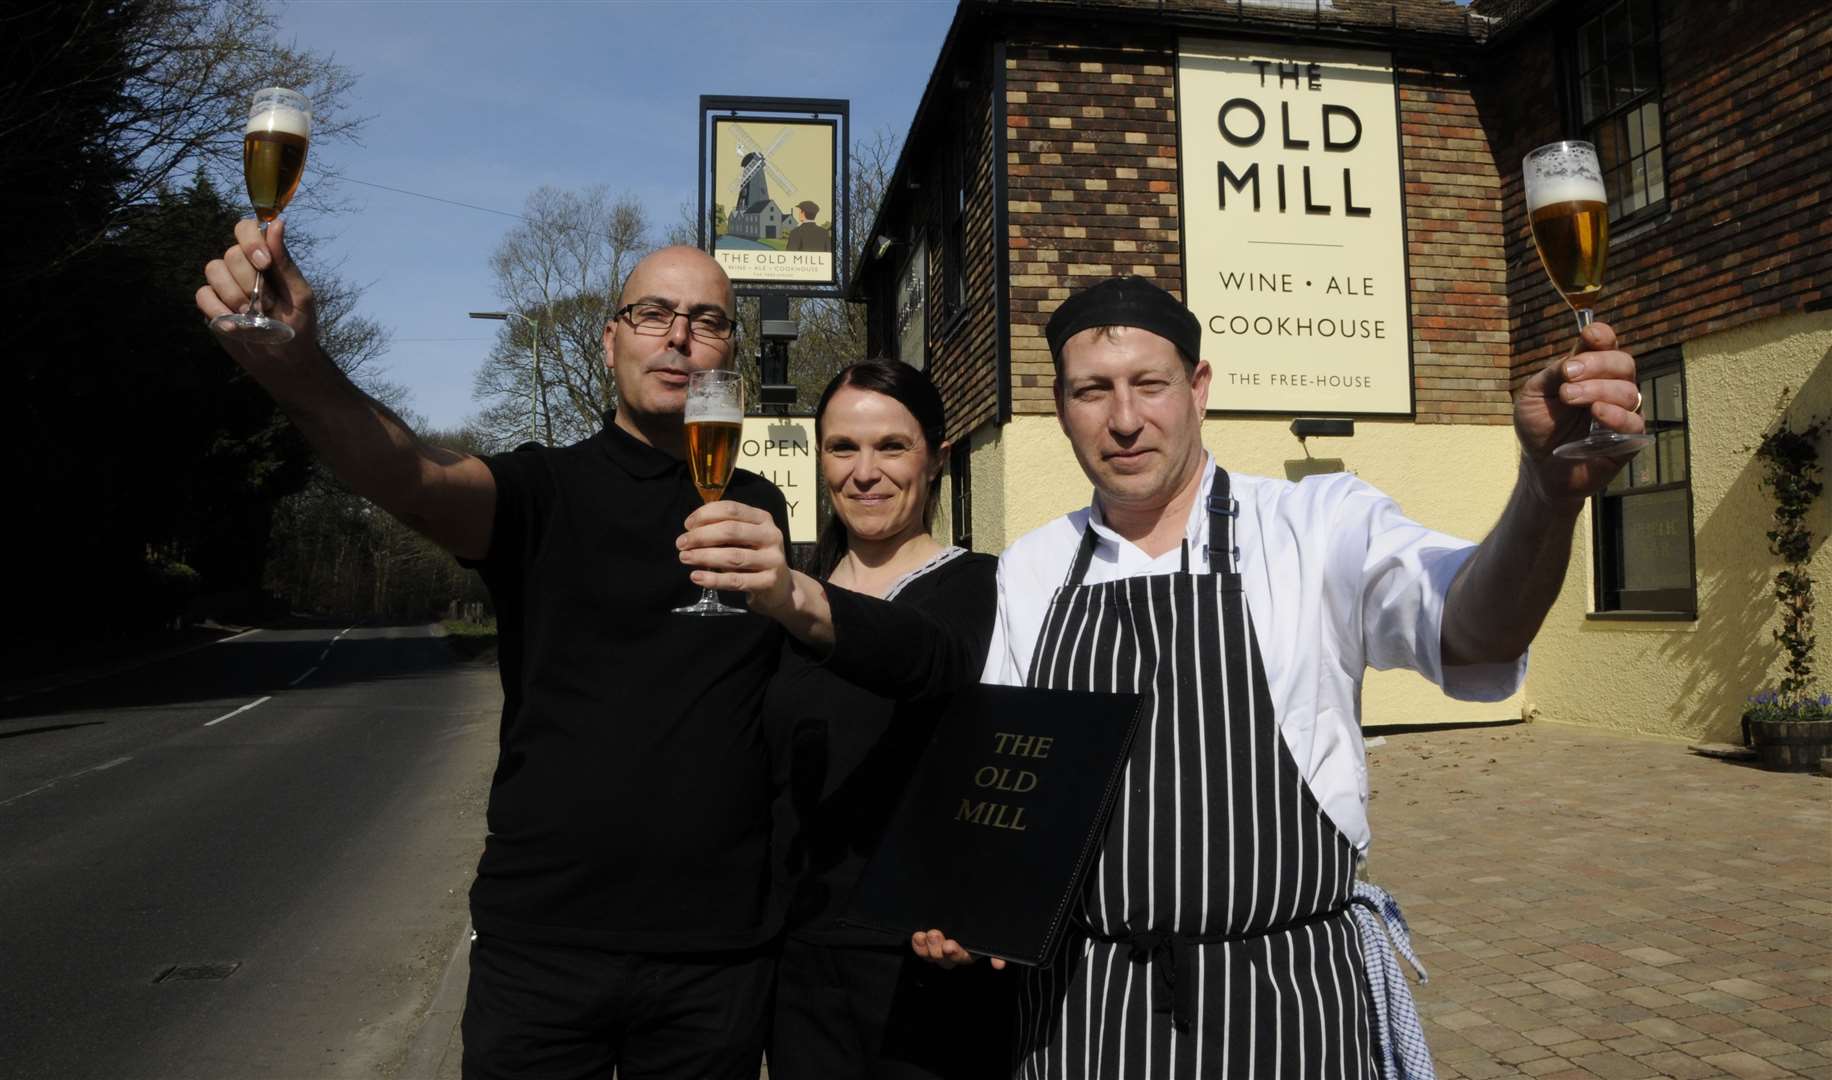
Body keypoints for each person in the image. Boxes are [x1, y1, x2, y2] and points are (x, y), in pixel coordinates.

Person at [678, 274, 1646, 1079]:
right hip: (1081, 1010)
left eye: (1148, 382)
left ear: (1198, 385)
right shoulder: (1036, 566)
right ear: (1058, 408)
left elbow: (1472, 630)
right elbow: (999, 780)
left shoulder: (1315, 525)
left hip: (1284, 996)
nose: (1124, 418)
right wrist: (963, 906)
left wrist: (1545, 496)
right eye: (1091, 390)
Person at [194, 220, 789, 1080]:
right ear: (610, 337)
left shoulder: (761, 507)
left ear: (729, 349)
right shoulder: (543, 490)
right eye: (653, 312)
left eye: (707, 319)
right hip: (546, 946)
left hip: (720, 953)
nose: (679, 335)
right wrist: (303, 372)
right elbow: (413, 476)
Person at [760, 361, 1011, 1079]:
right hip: (799, 960)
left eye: (891, 447)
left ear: (936, 456)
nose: (864, 472)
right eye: (843, 448)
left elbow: (928, 658)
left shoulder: (984, 588)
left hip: (926, 962)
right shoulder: (779, 603)